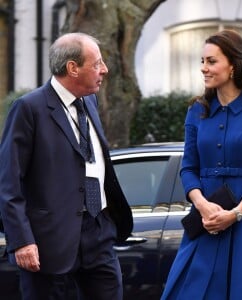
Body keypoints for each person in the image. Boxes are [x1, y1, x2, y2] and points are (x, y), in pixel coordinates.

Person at [0, 32, 133, 300]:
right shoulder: (29, 108)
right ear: (72, 68)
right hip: (49, 241)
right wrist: (22, 240)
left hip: (98, 231)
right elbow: (8, 181)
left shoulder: (90, 102)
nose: (104, 70)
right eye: (96, 64)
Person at [161, 29, 242, 300]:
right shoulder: (196, 111)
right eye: (202, 61)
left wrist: (236, 213)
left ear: (234, 65)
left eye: (211, 61)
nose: (204, 68)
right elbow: (188, 167)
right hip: (204, 219)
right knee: (187, 290)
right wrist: (202, 205)